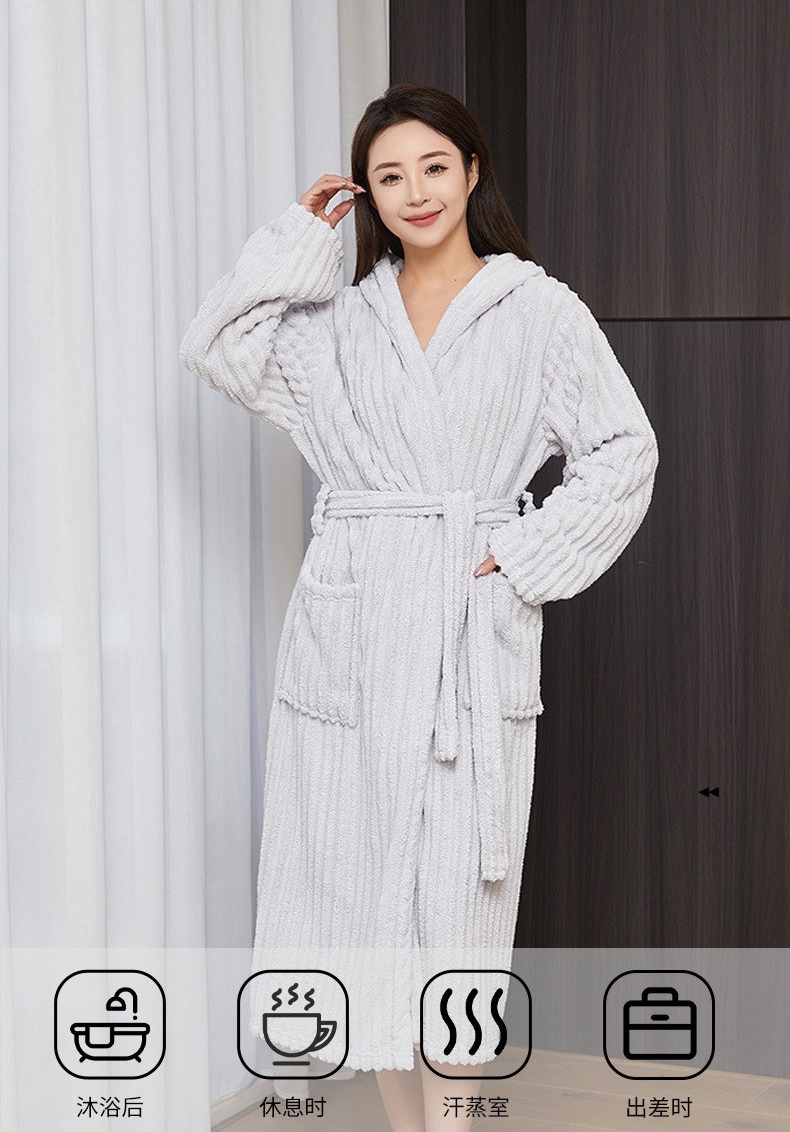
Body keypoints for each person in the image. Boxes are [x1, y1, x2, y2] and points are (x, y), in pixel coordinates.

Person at [179, 83, 658, 1132]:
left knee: (454, 924)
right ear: (367, 194)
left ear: (472, 171)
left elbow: (624, 450)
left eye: (434, 166)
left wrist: (522, 555)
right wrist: (297, 241)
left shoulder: (540, 312)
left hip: (466, 632)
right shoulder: (339, 323)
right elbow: (218, 346)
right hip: (351, 633)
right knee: (360, 916)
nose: (416, 192)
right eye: (388, 176)